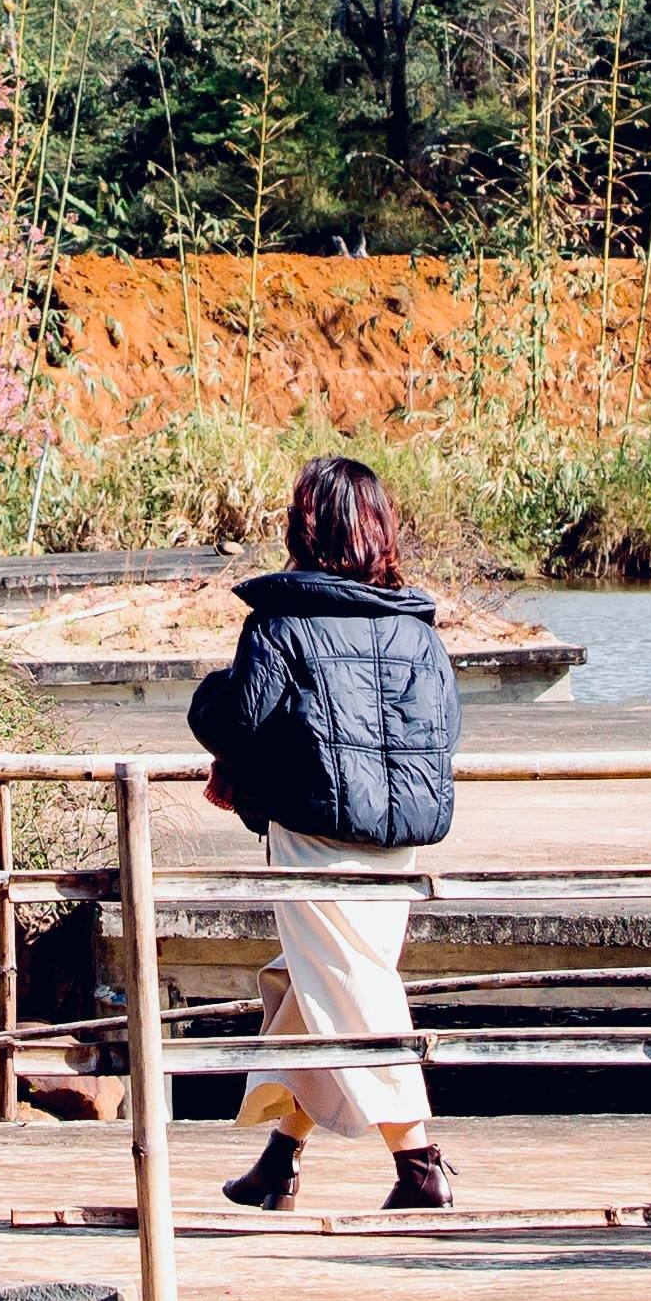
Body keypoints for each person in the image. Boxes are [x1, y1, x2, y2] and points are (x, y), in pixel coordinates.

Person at [186, 453, 460, 1213]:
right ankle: (280, 1161)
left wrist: (210, 703)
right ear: (378, 529)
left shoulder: (282, 624)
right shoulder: (419, 633)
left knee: (351, 985)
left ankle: (420, 1164)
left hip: (313, 836)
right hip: (397, 838)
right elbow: (439, 734)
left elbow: (240, 718)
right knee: (310, 982)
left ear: (305, 528)